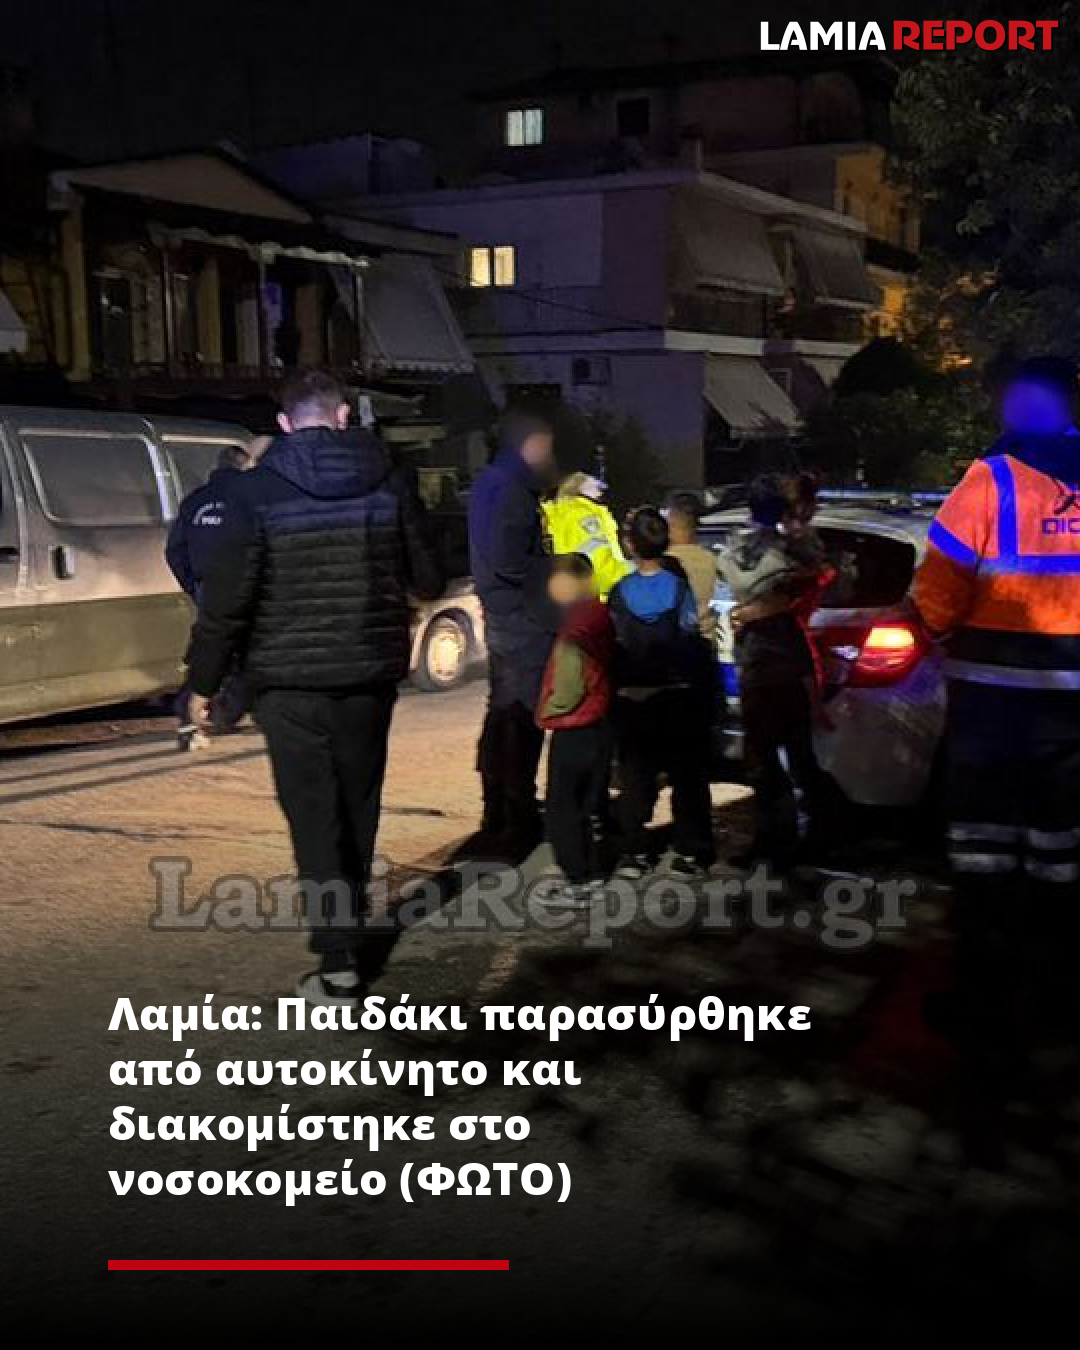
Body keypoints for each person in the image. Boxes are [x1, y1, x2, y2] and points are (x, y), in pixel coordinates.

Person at [186, 369, 443, 1008]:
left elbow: (227, 602)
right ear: (344, 415)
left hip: (286, 685)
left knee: (313, 817)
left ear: (283, 424)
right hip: (368, 675)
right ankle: (348, 937)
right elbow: (429, 578)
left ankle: (338, 963)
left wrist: (203, 682)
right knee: (358, 808)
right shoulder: (391, 479)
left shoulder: (254, 492)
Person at [913, 355, 1080, 1162]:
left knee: (985, 863)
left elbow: (936, 598)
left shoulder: (990, 482)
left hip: (993, 713)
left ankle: (985, 1016)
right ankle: (1055, 1004)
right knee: (1059, 862)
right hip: (1073, 717)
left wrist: (936, 630)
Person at [717, 475, 832, 871]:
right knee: (795, 758)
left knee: (768, 760)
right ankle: (800, 841)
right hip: (787, 662)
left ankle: (781, 843)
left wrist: (748, 611)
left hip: (767, 663)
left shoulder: (745, 549)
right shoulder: (794, 551)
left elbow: (770, 598)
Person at [466, 409, 559, 862]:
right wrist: (553, 581)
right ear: (530, 444)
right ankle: (515, 821)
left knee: (503, 715)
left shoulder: (492, 482)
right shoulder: (510, 489)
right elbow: (509, 560)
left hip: (505, 615)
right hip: (521, 620)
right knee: (519, 722)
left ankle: (499, 813)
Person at [609, 506, 715, 880]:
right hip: (677, 692)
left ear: (630, 546)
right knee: (688, 776)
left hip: (635, 696)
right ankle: (692, 851)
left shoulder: (621, 592)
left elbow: (615, 641)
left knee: (636, 776)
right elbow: (689, 632)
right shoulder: (678, 588)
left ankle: (634, 851)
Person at [166, 435, 269, 750]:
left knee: (209, 650)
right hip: (249, 588)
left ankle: (190, 721)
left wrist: (195, 585)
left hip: (209, 589)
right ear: (246, 466)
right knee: (252, 652)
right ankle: (253, 714)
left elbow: (175, 550)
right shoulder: (253, 500)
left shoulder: (194, 501)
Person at [534, 554, 616, 908]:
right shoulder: (599, 615)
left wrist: (545, 712)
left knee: (563, 806)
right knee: (588, 804)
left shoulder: (573, 631)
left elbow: (568, 689)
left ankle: (578, 880)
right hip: (600, 722)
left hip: (575, 727)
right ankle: (593, 873)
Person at [542, 470, 631, 599]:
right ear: (579, 485)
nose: (602, 485)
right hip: (600, 595)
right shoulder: (584, 514)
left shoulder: (567, 511)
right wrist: (628, 576)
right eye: (595, 480)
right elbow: (601, 562)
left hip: (579, 593)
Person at [665, 491, 718, 646]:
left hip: (672, 645)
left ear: (670, 521)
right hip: (707, 643)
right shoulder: (712, 561)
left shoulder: (661, 563)